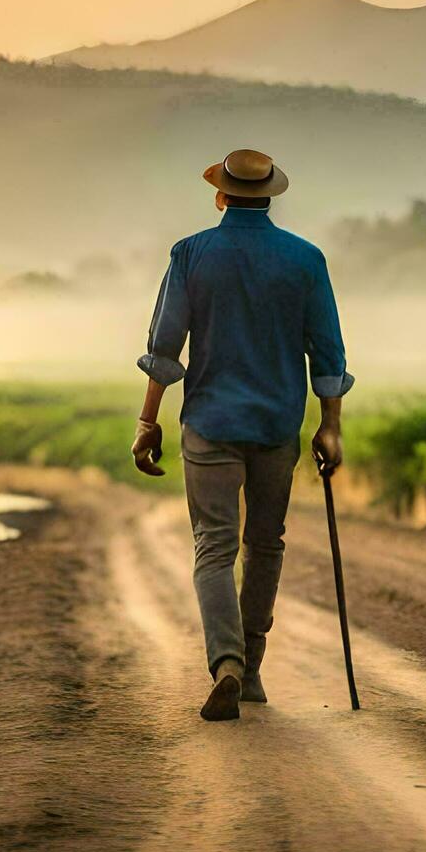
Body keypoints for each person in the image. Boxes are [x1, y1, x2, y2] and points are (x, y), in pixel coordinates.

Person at [131, 148, 354, 721]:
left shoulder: (191, 254)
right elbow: (326, 350)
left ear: (221, 196)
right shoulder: (306, 259)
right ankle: (251, 667)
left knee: (214, 547)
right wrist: (330, 427)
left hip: (208, 422)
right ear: (271, 196)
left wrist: (148, 421)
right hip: (277, 424)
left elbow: (164, 345)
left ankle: (225, 663)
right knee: (265, 544)